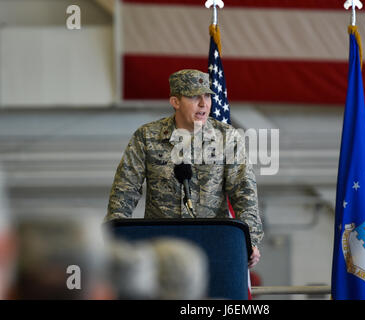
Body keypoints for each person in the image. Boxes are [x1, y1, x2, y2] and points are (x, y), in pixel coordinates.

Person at [105, 69, 263, 268]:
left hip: (214, 245)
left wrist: (251, 240)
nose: (203, 104)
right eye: (194, 96)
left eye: (207, 96)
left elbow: (244, 191)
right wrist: (114, 236)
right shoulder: (146, 136)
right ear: (175, 102)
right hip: (161, 248)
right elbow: (124, 190)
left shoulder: (226, 137)